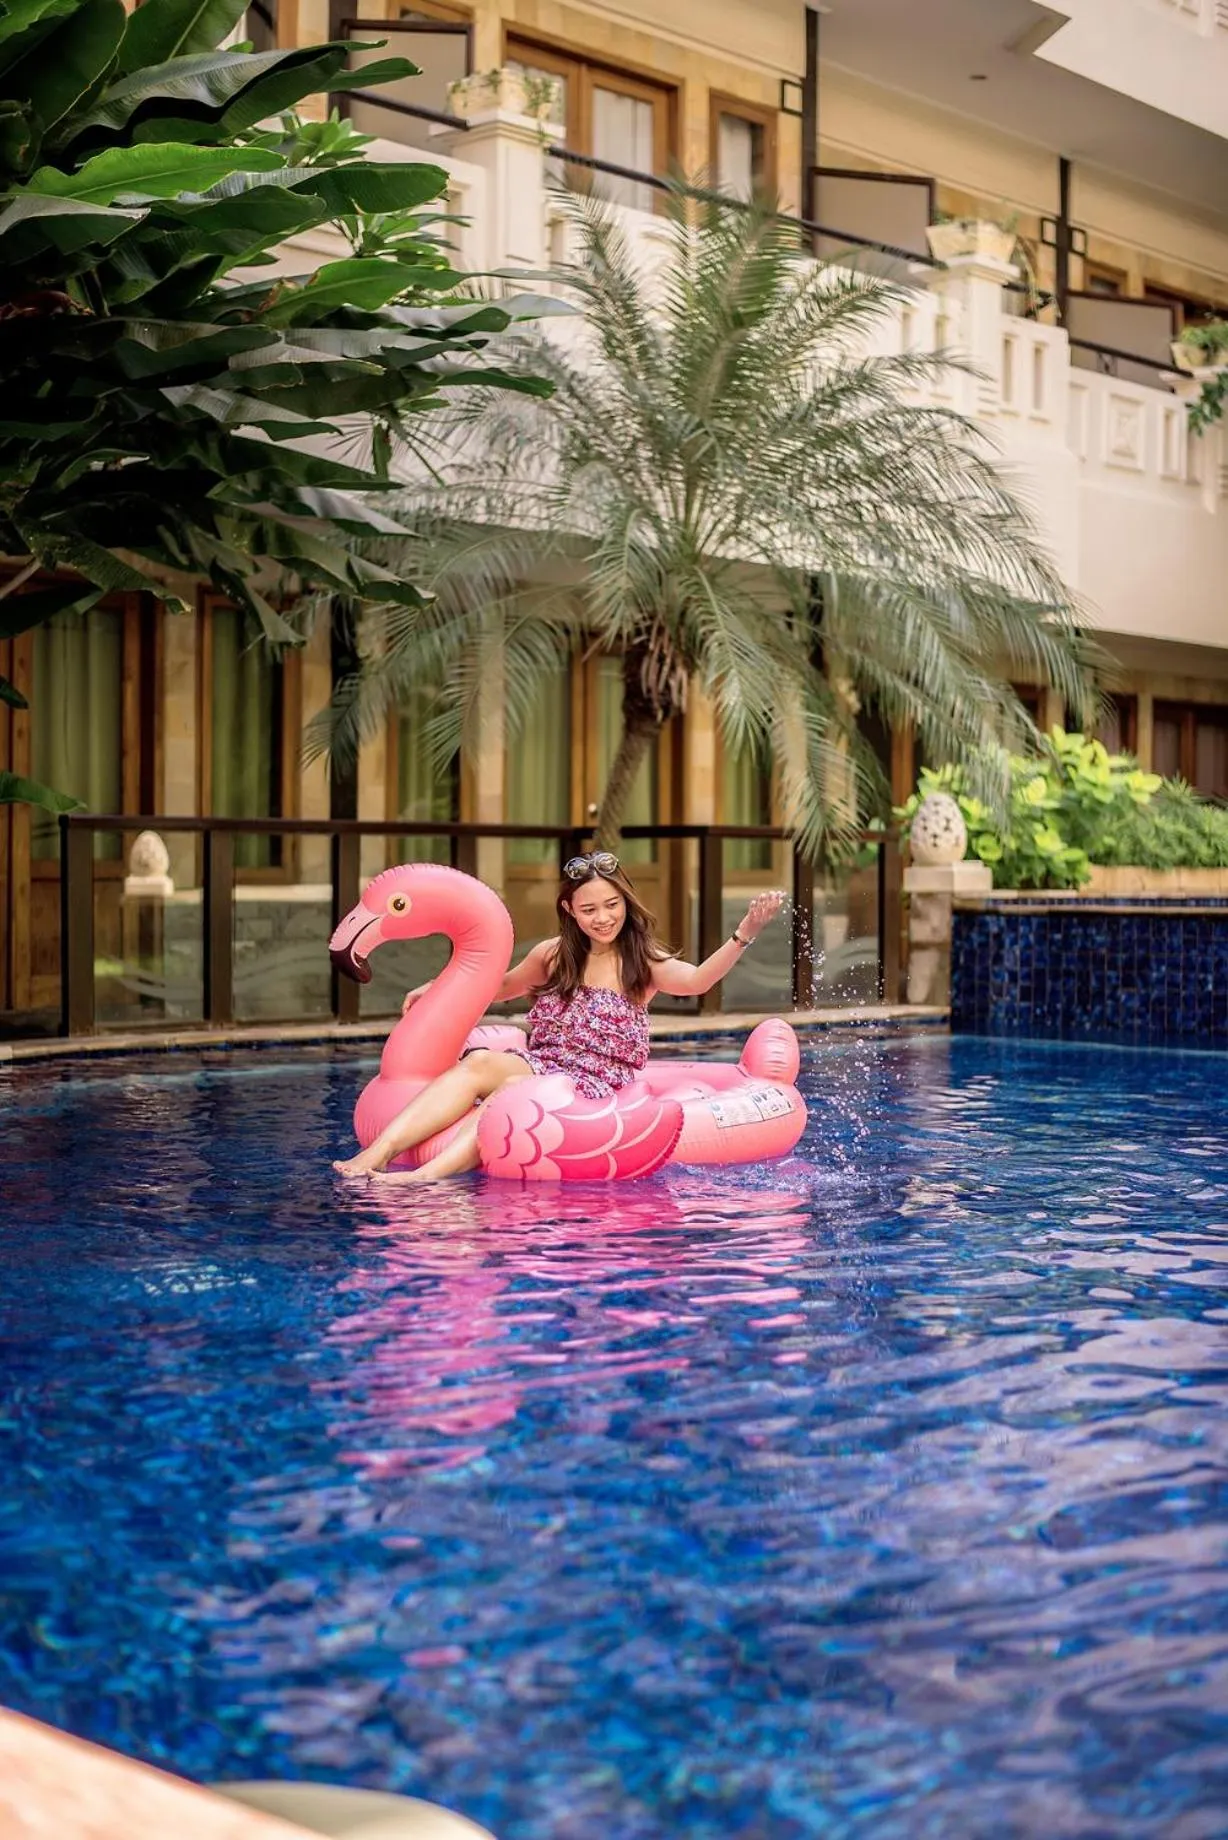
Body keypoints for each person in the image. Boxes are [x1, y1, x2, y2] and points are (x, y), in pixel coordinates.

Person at [333, 850, 785, 1185]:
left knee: (514, 1091)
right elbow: (501, 986)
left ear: (625, 901)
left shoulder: (641, 960)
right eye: (589, 909)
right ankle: (378, 1151)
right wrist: (438, 988)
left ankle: (424, 1177)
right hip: (545, 1061)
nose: (603, 918)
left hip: (599, 1082)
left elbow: (699, 980)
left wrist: (743, 934)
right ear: (569, 910)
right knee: (480, 1064)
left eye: (612, 905)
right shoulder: (553, 954)